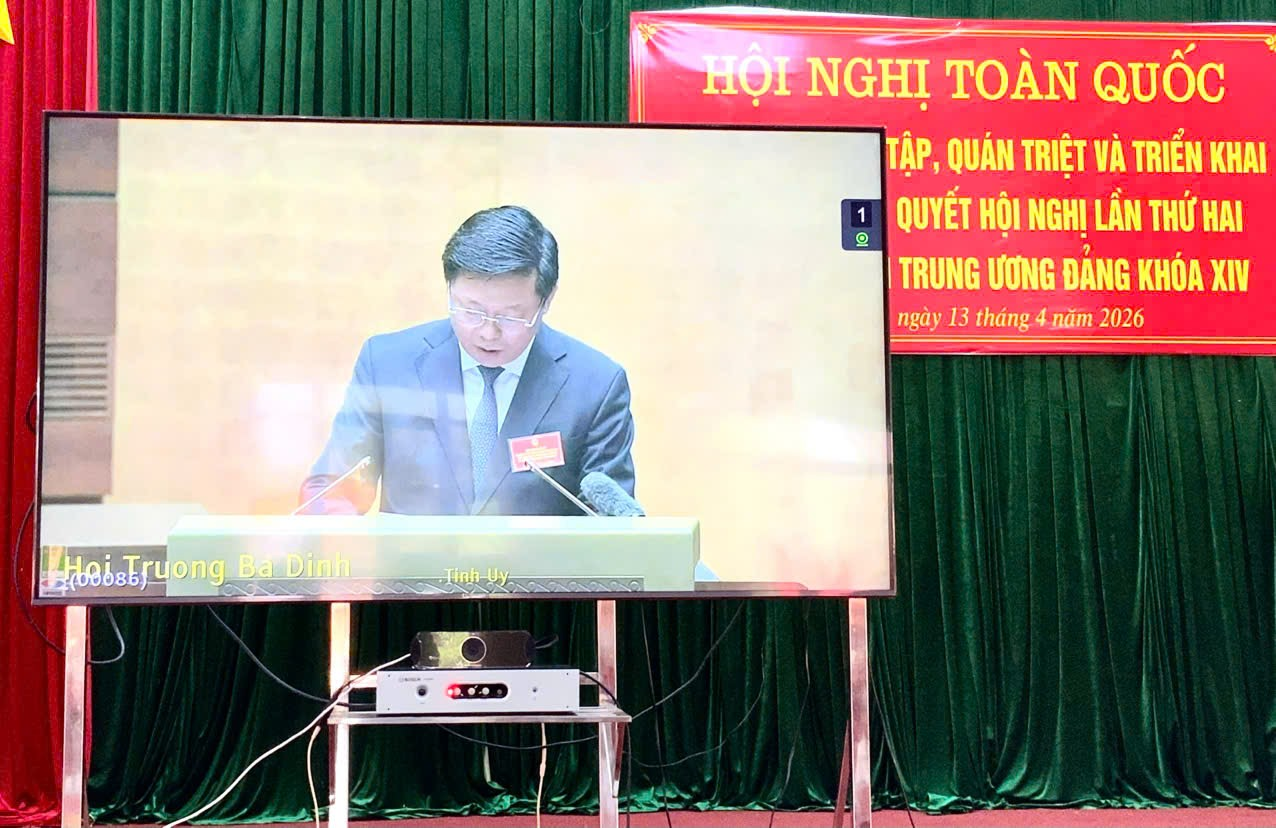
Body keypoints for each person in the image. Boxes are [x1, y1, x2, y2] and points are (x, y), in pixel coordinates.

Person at [300, 205, 636, 516]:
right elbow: (331, 487)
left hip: (535, 565)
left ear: (546, 300)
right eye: (470, 310)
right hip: (411, 563)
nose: (488, 332)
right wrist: (340, 529)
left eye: (511, 316)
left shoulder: (596, 385)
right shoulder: (388, 364)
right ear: (449, 288)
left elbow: (608, 517)